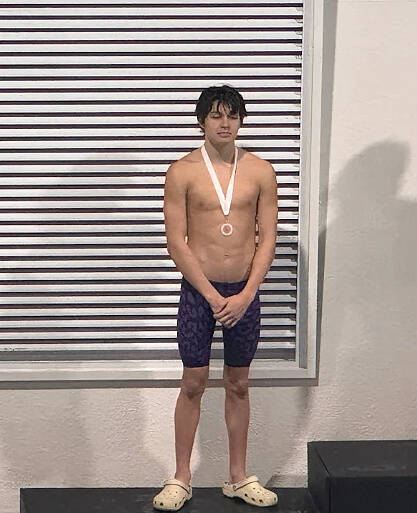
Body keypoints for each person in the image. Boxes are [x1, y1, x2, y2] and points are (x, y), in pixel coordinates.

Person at [153, 85, 279, 510]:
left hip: (243, 293)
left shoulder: (260, 171)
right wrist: (209, 294)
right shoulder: (182, 172)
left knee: (239, 384)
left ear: (241, 121)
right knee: (193, 382)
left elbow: (267, 239)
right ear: (201, 121)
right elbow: (176, 242)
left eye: (232, 116)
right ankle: (181, 477)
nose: (225, 124)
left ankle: (238, 477)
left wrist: (247, 293)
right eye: (216, 116)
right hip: (199, 293)